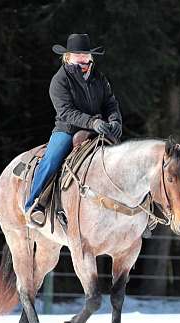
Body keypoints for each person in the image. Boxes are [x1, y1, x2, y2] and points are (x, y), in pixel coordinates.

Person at [24, 33, 123, 226]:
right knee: (51, 160)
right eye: (77, 53)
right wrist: (92, 122)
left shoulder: (99, 78)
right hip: (67, 129)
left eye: (85, 54)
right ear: (67, 56)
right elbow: (66, 111)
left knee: (123, 160)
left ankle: (137, 210)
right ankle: (34, 205)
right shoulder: (59, 80)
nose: (82, 57)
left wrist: (115, 121)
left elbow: (110, 103)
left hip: (99, 129)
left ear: (90, 57)